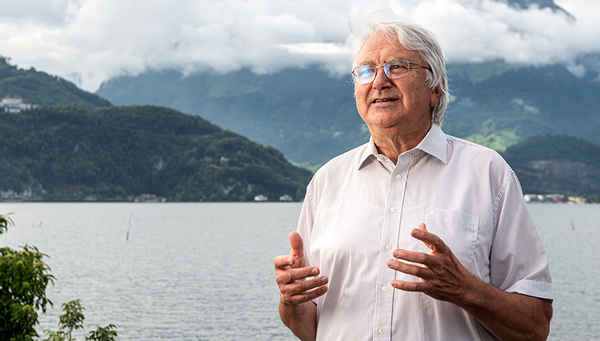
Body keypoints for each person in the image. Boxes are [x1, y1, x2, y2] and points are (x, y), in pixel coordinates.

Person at [274, 12, 553, 341]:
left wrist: (466, 290)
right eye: (366, 71)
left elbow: (535, 328)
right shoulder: (327, 181)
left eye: (398, 66)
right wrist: (291, 301)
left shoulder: (487, 172)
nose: (379, 81)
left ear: (435, 88)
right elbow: (309, 328)